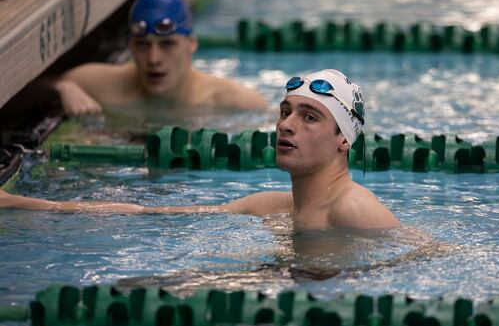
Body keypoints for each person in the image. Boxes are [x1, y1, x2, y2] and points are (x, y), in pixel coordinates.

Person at [0, 69, 430, 241]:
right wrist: (24, 204)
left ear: (344, 141)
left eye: (310, 117)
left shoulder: (354, 209)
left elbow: (426, 258)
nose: (286, 125)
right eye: (285, 112)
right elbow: (147, 214)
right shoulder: (273, 206)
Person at [53, 0, 267, 116]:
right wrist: (62, 88)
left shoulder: (235, 103)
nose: (153, 58)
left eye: (167, 44)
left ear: (191, 43)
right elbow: (31, 92)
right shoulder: (97, 82)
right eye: (143, 44)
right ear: (130, 47)